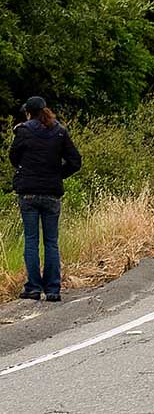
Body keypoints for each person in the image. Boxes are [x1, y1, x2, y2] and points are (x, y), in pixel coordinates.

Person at [9, 96, 82, 302]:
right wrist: (58, 174)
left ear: (28, 112)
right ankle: (53, 288)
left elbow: (13, 157)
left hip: (29, 192)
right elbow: (75, 161)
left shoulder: (23, 131)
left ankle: (33, 287)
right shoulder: (60, 131)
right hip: (51, 192)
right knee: (51, 241)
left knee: (31, 240)